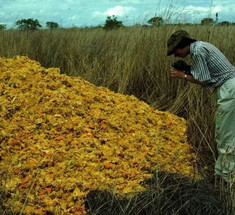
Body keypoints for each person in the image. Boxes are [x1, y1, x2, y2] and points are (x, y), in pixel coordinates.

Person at [167, 30, 235, 183]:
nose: (174, 54)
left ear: (182, 45)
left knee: (226, 135)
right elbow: (207, 74)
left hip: (229, 90)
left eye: (175, 50)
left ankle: (227, 178)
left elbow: (204, 81)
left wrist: (183, 76)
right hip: (229, 88)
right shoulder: (201, 47)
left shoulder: (197, 52)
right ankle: (221, 173)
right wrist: (188, 69)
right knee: (224, 133)